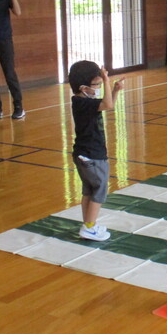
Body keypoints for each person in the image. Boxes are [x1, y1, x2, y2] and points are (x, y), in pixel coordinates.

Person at [68, 60, 124, 241]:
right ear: (84, 87)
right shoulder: (83, 103)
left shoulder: (83, 100)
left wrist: (114, 91)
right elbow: (107, 105)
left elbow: (108, 105)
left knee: (89, 190)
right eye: (97, 84)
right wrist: (107, 81)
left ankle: (88, 224)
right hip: (92, 155)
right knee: (99, 190)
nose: (100, 87)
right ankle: (89, 227)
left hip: (83, 154)